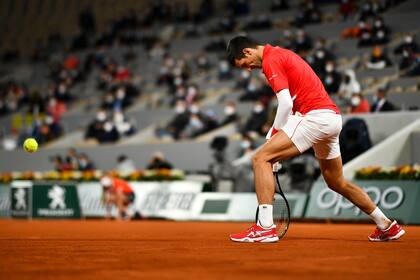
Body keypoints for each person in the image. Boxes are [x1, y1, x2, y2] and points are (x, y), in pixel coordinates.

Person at [226, 36, 405, 243]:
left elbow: (285, 104)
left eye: (244, 64)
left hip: (314, 117)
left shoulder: (271, 59)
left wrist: (273, 135)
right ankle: (385, 224)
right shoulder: (282, 54)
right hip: (332, 119)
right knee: (336, 181)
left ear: (248, 52)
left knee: (260, 159)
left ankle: (265, 227)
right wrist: (276, 143)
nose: (248, 69)